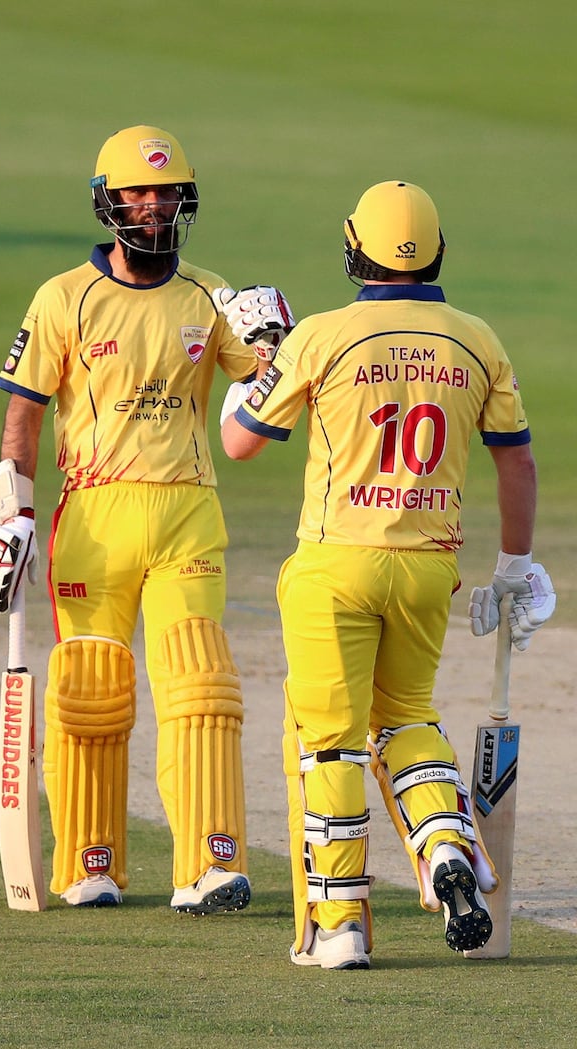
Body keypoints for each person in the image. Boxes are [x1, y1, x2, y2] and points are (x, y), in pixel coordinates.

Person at [218, 180, 556, 969]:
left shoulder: (324, 336)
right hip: (426, 568)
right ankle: (446, 847)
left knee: (328, 745)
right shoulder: (478, 340)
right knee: (406, 722)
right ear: (436, 251)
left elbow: (239, 441)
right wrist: (513, 566)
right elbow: (519, 461)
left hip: (333, 567)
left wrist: (265, 357)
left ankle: (339, 924)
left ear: (352, 250)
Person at [0, 125, 294, 914]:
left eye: (166, 192)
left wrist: (277, 340)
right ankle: (91, 863)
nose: (152, 207)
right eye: (136, 193)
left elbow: (275, 396)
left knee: (200, 686)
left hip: (188, 511)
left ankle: (210, 864)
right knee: (90, 691)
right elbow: (24, 414)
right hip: (94, 512)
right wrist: (10, 513)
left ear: (186, 200)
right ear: (107, 200)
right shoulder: (63, 297)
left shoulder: (210, 296)